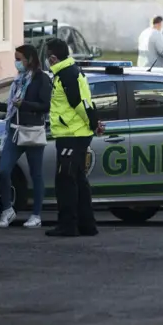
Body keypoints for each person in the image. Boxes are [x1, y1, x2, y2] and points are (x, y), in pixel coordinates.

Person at [45, 38, 99, 237]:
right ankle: (87, 225)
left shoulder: (67, 74)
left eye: (47, 56)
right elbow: (85, 103)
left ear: (53, 57)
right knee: (78, 180)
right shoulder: (68, 72)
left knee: (65, 180)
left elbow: (79, 104)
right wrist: (94, 123)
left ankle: (67, 226)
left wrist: (93, 123)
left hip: (71, 136)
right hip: (75, 134)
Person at [0, 44, 52, 229]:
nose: (16, 63)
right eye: (15, 59)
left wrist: (24, 104)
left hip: (32, 130)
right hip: (14, 129)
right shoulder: (18, 80)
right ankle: (7, 209)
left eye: (19, 59)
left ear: (30, 59)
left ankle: (36, 215)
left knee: (36, 174)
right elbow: (13, 106)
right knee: (3, 170)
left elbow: (45, 105)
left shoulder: (41, 79)